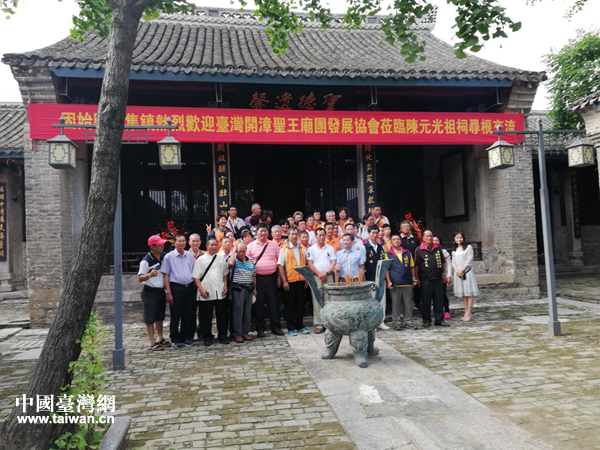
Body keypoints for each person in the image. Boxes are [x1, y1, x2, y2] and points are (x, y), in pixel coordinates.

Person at [247, 224, 284, 337]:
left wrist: (279, 277)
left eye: (265, 231)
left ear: (268, 233)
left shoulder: (273, 245)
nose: (263, 233)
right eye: (261, 231)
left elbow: (280, 262)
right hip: (257, 279)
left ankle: (276, 327)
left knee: (274, 303)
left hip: (272, 278)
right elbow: (247, 263)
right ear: (257, 233)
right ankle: (260, 328)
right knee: (259, 304)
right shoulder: (251, 246)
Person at [160, 234, 196, 348]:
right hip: (176, 288)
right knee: (176, 314)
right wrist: (169, 292)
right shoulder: (169, 257)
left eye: (183, 241)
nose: (181, 243)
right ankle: (175, 338)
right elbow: (166, 275)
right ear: (174, 243)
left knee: (188, 313)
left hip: (189, 287)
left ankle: (186, 337)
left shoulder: (189, 255)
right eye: (179, 241)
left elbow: (194, 272)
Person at [193, 236, 230, 346]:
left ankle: (223, 335)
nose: (214, 246)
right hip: (206, 291)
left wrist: (225, 285)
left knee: (222, 316)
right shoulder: (200, 260)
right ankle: (207, 336)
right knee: (206, 317)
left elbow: (225, 274)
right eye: (211, 245)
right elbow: (196, 277)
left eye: (215, 245)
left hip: (219, 292)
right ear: (207, 246)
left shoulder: (221, 258)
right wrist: (201, 289)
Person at [138, 235, 169, 351]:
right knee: (150, 317)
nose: (162, 246)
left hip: (160, 291)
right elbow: (140, 277)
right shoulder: (146, 261)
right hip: (150, 292)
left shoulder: (163, 256)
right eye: (159, 245)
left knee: (159, 316)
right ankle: (152, 341)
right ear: (153, 247)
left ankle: (160, 337)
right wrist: (150, 275)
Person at [277, 228, 310, 336]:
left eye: (296, 234)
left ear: (299, 236)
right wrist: (284, 281)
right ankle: (290, 327)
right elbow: (280, 265)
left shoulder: (302, 248)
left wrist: (306, 279)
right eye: (292, 234)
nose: (294, 236)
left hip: (301, 280)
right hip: (289, 280)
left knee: (300, 304)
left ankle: (300, 325)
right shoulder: (284, 249)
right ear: (289, 236)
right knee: (289, 305)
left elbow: (305, 264)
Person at [415, 230, 449, 328]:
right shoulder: (419, 249)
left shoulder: (438, 248)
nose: (429, 238)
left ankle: (439, 319)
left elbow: (443, 262)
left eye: (431, 236)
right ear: (423, 238)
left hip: (438, 278)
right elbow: (416, 265)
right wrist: (416, 278)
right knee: (426, 300)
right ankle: (426, 320)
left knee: (439, 299)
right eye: (427, 236)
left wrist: (444, 275)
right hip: (425, 279)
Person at [385, 235, 418, 330]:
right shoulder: (388, 254)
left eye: (398, 239)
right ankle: (397, 322)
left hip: (407, 281)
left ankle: (408, 321)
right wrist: (389, 281)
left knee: (408, 303)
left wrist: (413, 278)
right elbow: (387, 269)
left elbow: (412, 266)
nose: (396, 241)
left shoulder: (407, 253)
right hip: (395, 282)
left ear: (401, 241)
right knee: (396, 304)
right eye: (394, 239)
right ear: (391, 242)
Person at [307, 228, 336, 334]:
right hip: (316, 277)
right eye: (319, 235)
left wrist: (326, 273)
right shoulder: (311, 249)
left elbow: (333, 262)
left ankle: (329, 323)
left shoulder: (330, 248)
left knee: (329, 300)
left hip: (328, 277)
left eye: (323, 235)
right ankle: (318, 324)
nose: (322, 237)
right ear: (315, 236)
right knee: (317, 300)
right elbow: (310, 264)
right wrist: (319, 274)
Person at [228, 242, 257, 343]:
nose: (241, 253)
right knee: (238, 312)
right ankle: (237, 334)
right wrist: (233, 252)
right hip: (238, 289)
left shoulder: (250, 260)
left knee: (247, 312)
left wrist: (254, 288)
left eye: (243, 251)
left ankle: (245, 332)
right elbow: (230, 264)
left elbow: (254, 275)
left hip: (249, 288)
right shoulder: (233, 259)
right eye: (239, 251)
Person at [364, 225, 389, 330]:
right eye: (372, 233)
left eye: (376, 233)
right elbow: (362, 265)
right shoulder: (365, 247)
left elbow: (385, 263)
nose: (374, 235)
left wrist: (387, 279)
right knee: (371, 301)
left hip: (380, 278)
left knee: (382, 300)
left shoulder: (380, 247)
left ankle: (381, 321)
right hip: (370, 278)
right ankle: (372, 323)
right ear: (368, 233)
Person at [452, 232, 479, 322]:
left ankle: (469, 312)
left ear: (463, 238)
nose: (459, 239)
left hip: (467, 272)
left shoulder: (468, 247)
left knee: (469, 293)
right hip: (458, 274)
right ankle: (465, 311)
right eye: (457, 238)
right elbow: (453, 262)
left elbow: (469, 261)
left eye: (460, 238)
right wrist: (457, 271)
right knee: (464, 294)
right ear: (454, 239)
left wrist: (462, 270)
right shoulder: (454, 249)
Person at [400, 220, 421, 308]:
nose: (406, 228)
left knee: (416, 284)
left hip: (415, 265)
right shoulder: (398, 239)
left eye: (408, 226)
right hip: (402, 266)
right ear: (401, 229)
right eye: (404, 226)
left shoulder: (415, 239)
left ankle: (418, 303)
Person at [433, 236, 452, 319]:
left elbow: (449, 264)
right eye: (433, 240)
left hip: (442, 276)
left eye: (437, 240)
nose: (435, 242)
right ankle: (438, 311)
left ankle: (447, 310)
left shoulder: (444, 251)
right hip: (432, 276)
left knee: (443, 294)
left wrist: (449, 275)